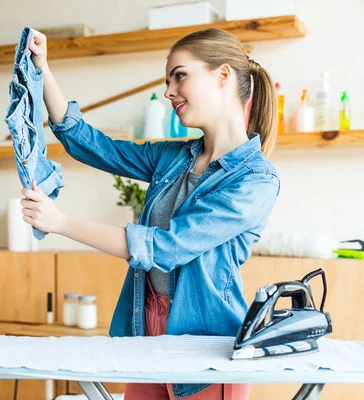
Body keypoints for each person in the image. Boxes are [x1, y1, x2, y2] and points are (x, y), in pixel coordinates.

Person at [20, 27, 280, 400]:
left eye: (180, 76)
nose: (169, 91)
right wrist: (42, 68)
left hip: (208, 346)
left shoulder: (255, 180)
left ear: (223, 75)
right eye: (168, 80)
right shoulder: (173, 158)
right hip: (144, 330)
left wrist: (60, 223)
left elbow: (167, 248)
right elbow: (94, 146)